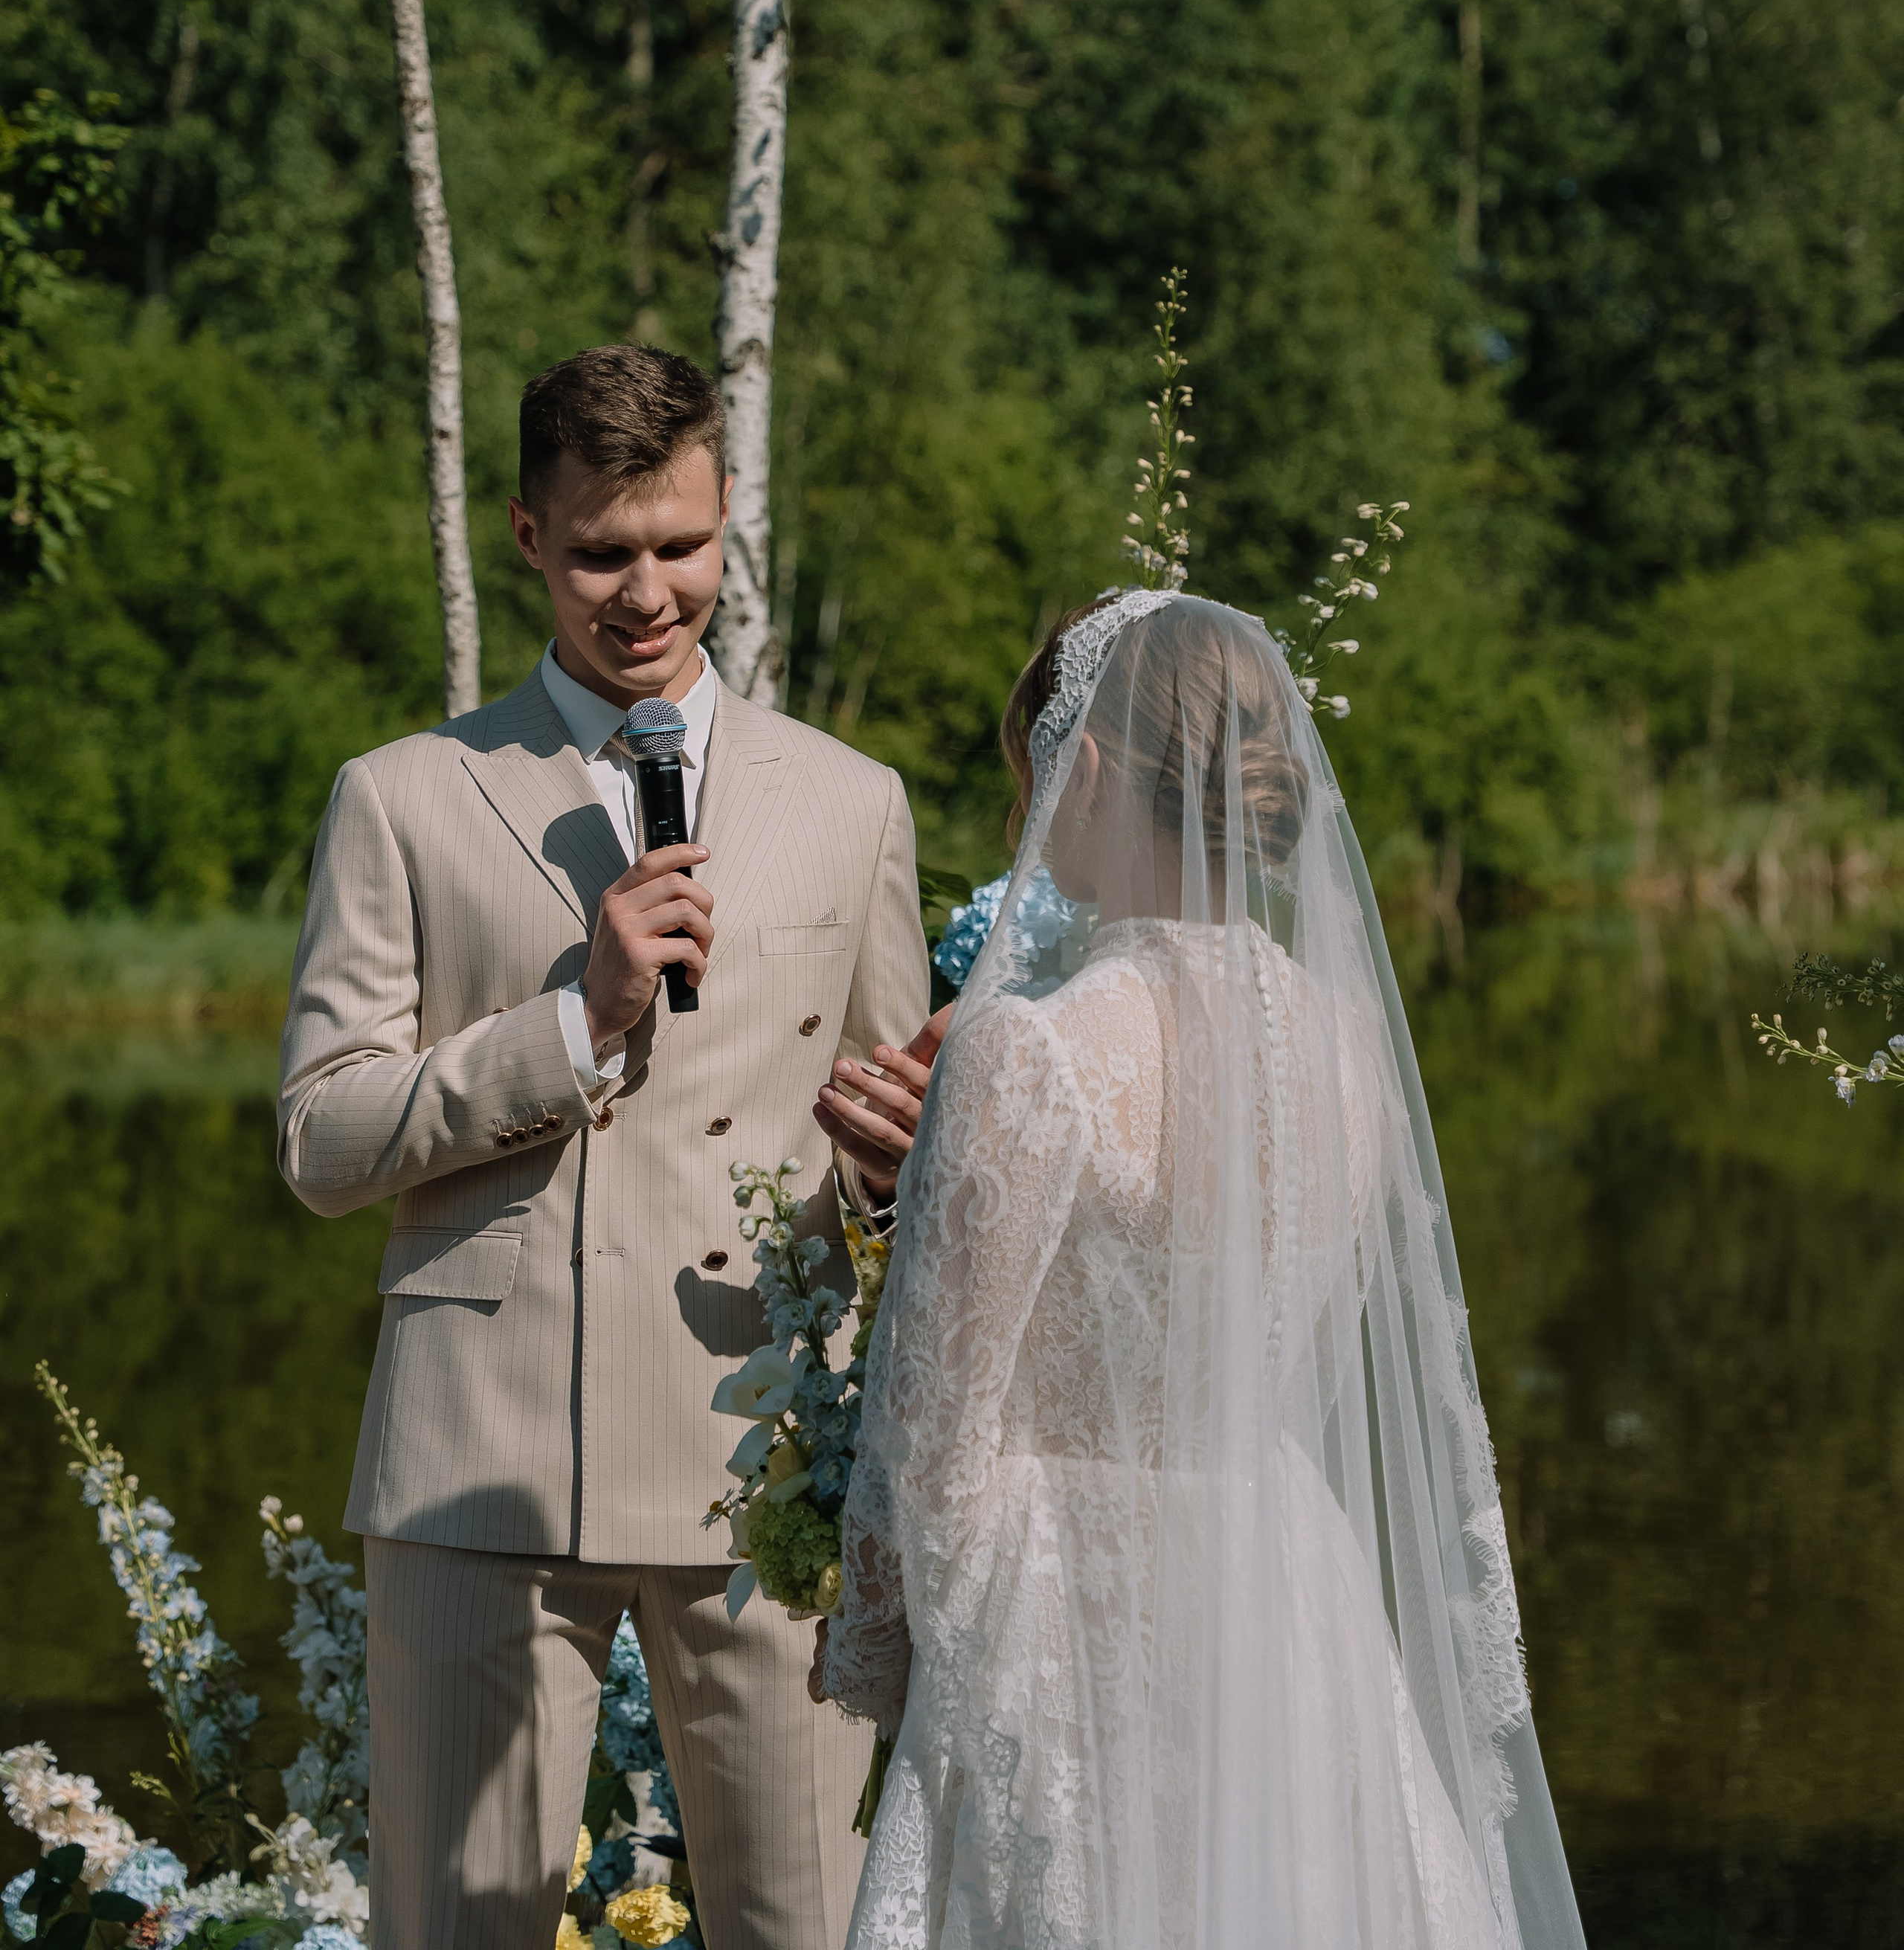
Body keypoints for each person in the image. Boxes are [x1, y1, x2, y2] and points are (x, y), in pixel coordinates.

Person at [280, 343, 936, 1950]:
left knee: (810, 1928)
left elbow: (893, 1148)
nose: (646, 594)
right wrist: (573, 1024)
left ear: (729, 521)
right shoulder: (403, 797)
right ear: (526, 534)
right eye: (598, 554)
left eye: (680, 546)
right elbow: (320, 1138)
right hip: (479, 1463)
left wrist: (889, 1171)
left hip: (772, 1458)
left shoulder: (852, 801)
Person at [819, 588, 1589, 1950]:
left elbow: (928, 1443)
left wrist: (877, 1660)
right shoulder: (1350, 1047)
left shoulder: (1031, 1053)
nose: (1023, 815)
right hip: (1283, 1597)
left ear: (1087, 770)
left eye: (1030, 776)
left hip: (1062, 1617)